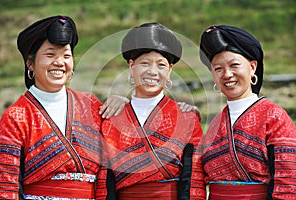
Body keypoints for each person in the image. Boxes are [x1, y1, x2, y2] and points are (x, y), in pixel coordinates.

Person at [0, 15, 127, 199]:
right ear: (30, 63)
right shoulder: (16, 117)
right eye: (50, 55)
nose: (59, 62)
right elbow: (4, 186)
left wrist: (126, 107)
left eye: (66, 55)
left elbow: (110, 169)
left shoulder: (90, 106)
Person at [100, 22, 206, 200]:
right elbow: (105, 180)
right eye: (145, 63)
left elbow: (193, 179)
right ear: (131, 66)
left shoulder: (187, 118)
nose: (152, 72)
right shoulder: (111, 118)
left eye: (161, 65)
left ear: (170, 71)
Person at [199, 24, 296, 199]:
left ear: (252, 67)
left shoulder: (274, 117)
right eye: (218, 69)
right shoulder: (214, 124)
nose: (227, 74)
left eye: (234, 65)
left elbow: (288, 183)